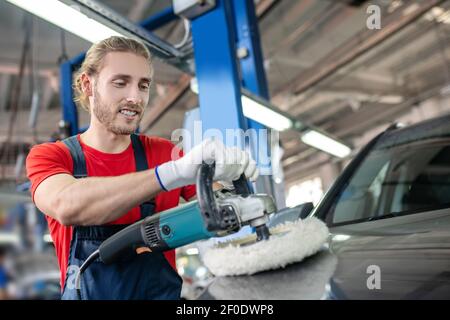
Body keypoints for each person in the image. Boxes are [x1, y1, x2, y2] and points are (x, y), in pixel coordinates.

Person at [26, 36, 258, 300]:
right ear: (87, 84)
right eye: (120, 83)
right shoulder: (53, 156)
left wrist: (230, 182)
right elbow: (67, 205)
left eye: (143, 85)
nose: (135, 97)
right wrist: (171, 173)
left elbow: (221, 212)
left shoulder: (165, 153)